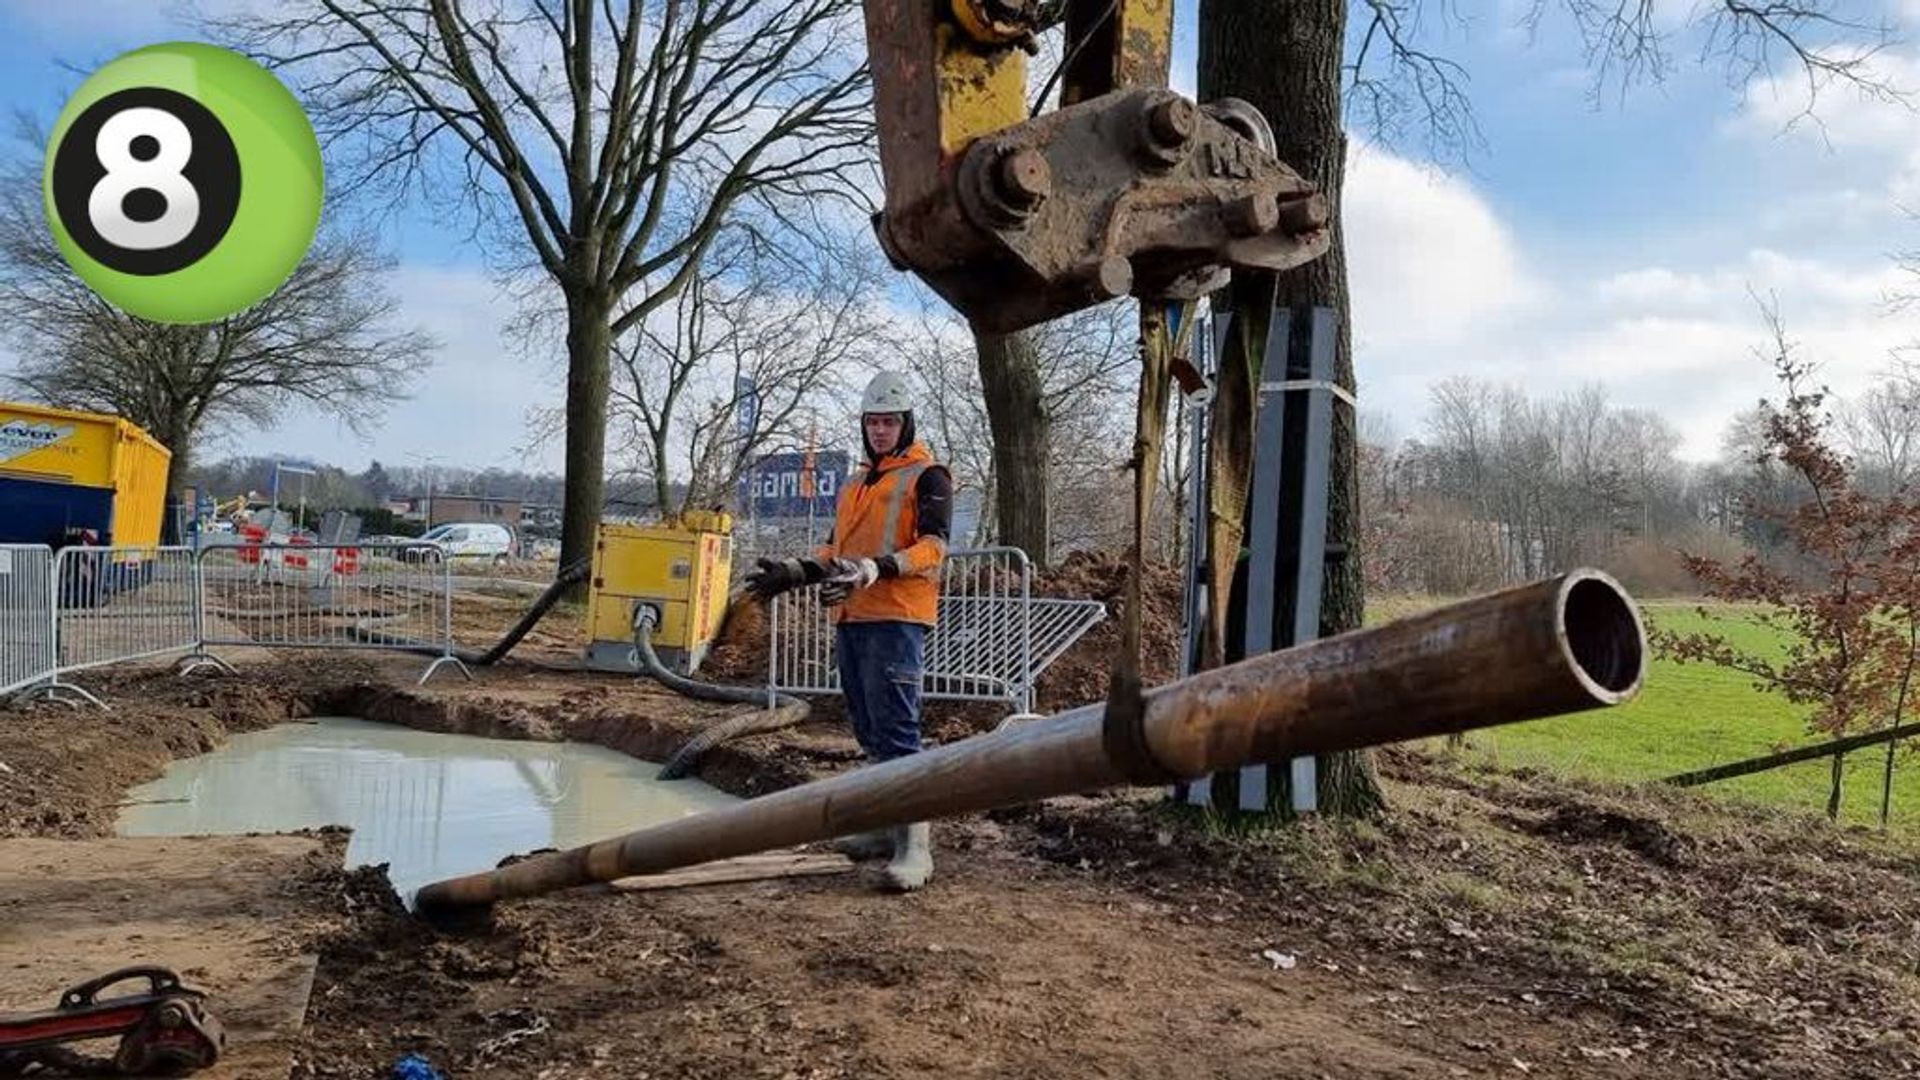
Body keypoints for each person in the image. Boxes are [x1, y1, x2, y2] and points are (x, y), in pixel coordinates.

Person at [742, 371, 952, 891]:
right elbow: (835, 551)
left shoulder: (928, 476)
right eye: (873, 422)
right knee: (868, 727)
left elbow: (935, 546)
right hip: (853, 616)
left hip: (898, 615)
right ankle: (884, 827)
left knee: (900, 731)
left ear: (906, 424)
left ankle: (915, 846)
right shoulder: (856, 483)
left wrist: (878, 568)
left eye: (890, 422)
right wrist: (796, 570)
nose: (881, 431)